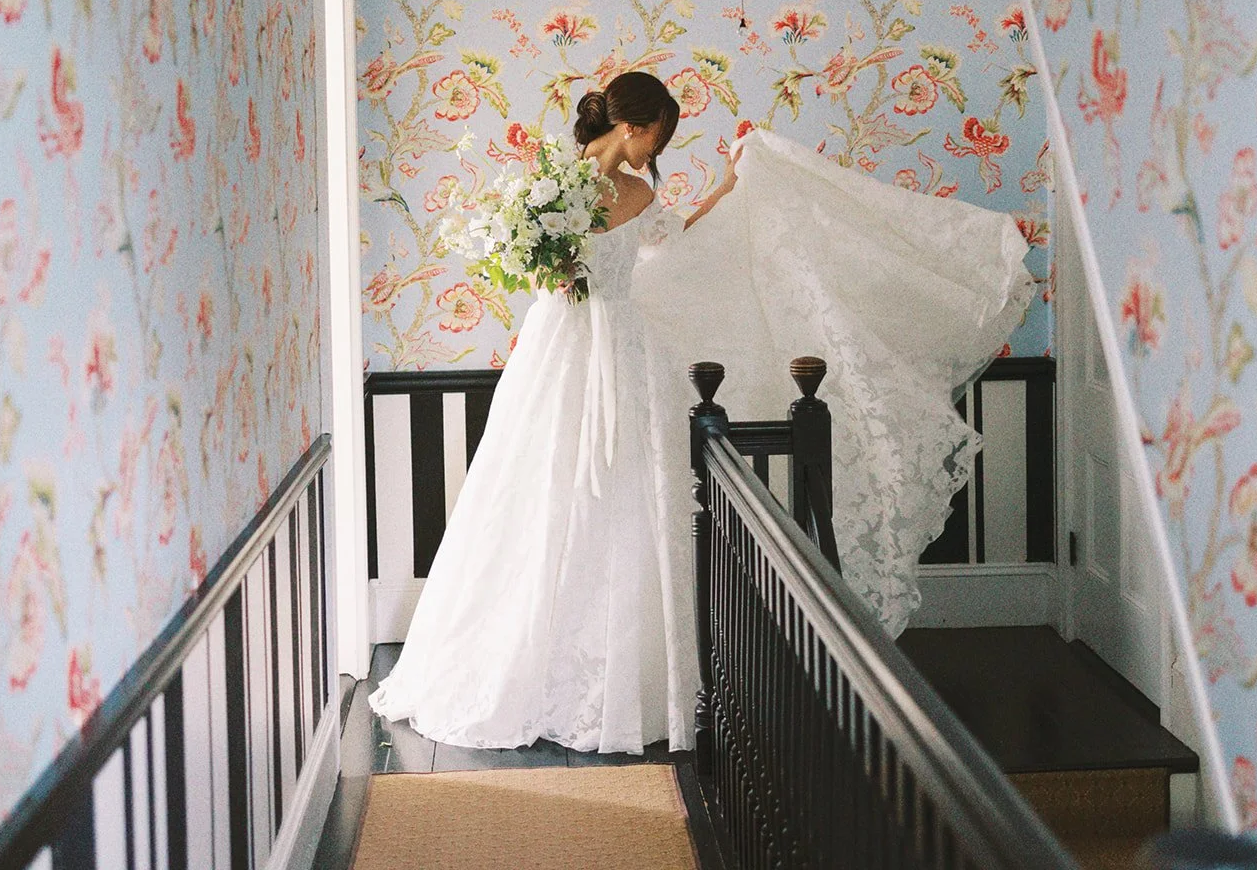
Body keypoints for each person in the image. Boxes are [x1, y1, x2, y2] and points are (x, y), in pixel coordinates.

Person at [367, 70, 1033, 754]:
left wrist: (729, 188)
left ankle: (625, 674)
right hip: (567, 351)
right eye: (658, 134)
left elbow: (676, 236)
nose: (657, 149)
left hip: (616, 351)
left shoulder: (609, 190)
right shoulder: (564, 188)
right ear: (634, 126)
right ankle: (536, 664)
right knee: (542, 490)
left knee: (625, 496)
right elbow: (551, 267)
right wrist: (546, 264)